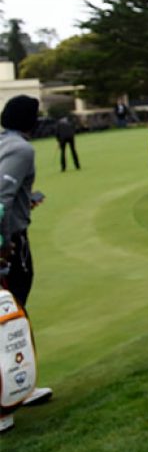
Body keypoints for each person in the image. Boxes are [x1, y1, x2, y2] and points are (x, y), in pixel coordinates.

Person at [0, 95, 53, 433]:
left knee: (13, 316)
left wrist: (26, 200)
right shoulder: (21, 149)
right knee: (9, 316)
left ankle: (20, 386)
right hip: (9, 247)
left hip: (10, 241)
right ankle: (5, 403)